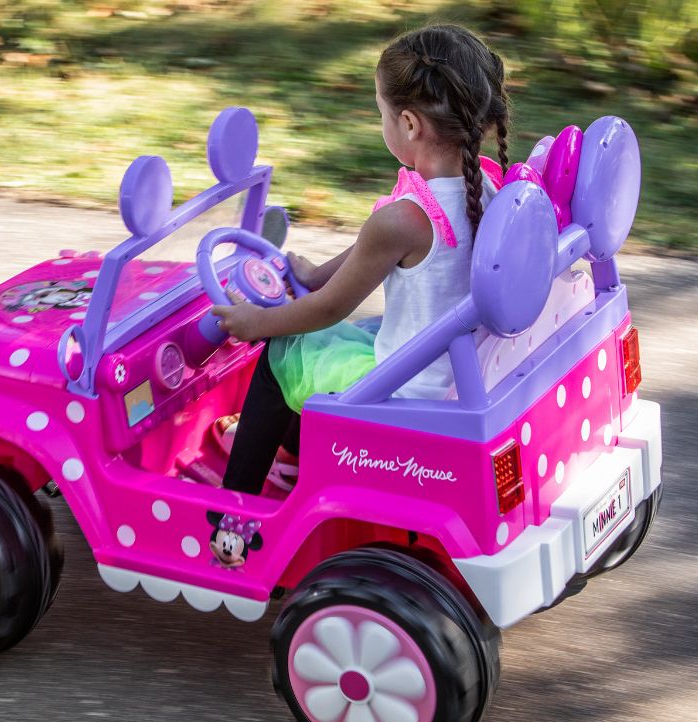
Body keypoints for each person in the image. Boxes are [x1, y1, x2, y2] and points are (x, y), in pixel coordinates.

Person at [206, 24, 511, 565]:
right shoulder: (482, 185)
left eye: (381, 113)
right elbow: (362, 261)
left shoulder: (404, 220)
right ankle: (305, 453)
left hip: (410, 388)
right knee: (332, 345)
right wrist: (317, 270)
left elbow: (326, 310)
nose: (382, 122)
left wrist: (255, 324)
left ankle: (232, 512)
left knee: (283, 357)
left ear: (410, 124)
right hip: (448, 369)